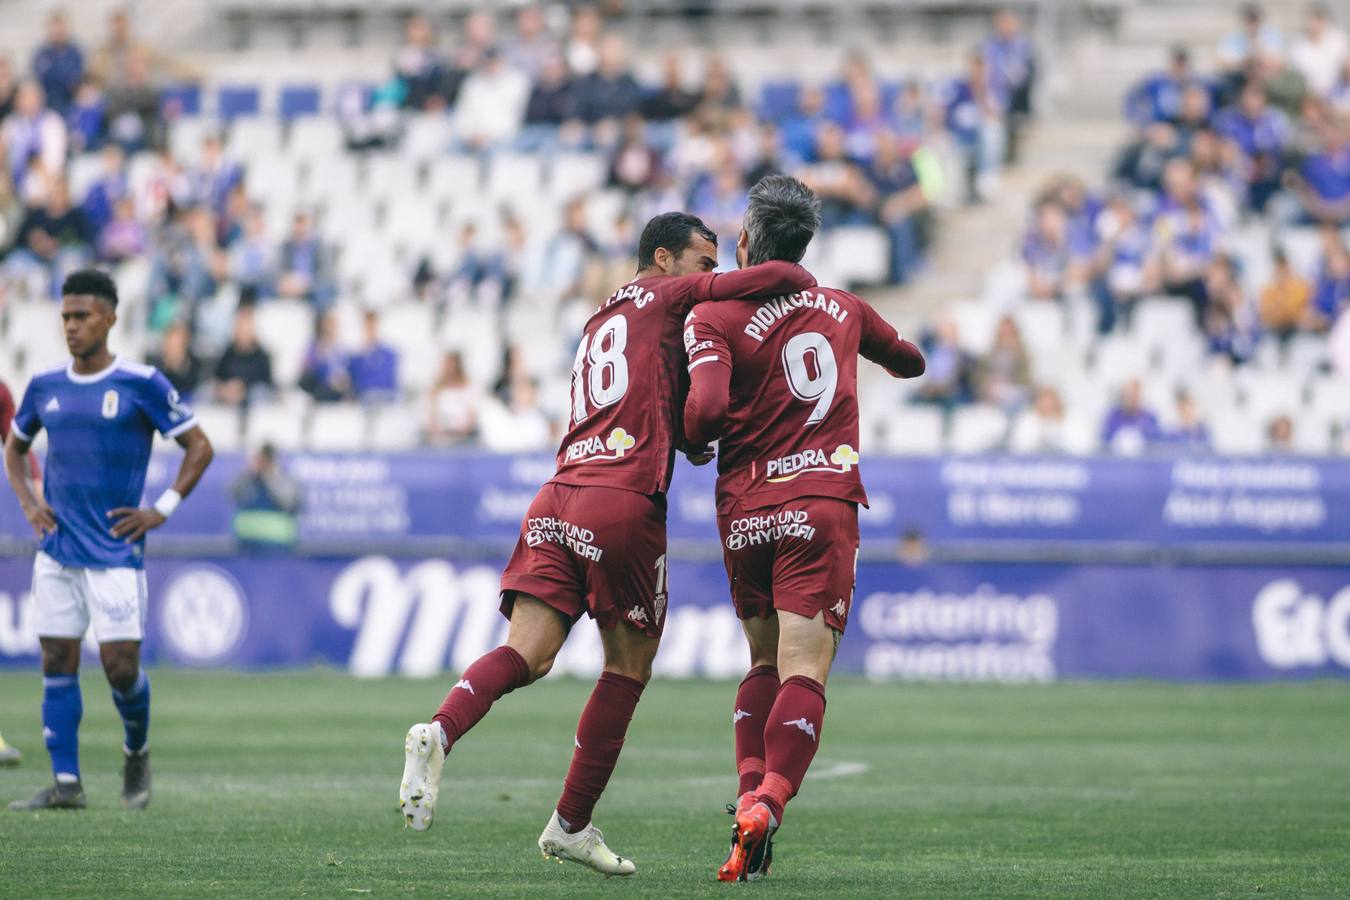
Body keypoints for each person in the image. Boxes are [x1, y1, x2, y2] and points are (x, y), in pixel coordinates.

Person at [396, 212, 812, 876]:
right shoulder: (669, 293)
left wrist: (685, 434)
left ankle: (440, 728)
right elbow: (772, 279)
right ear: (665, 258)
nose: (713, 277)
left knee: (526, 655)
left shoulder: (600, 317)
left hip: (558, 493)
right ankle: (570, 822)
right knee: (628, 666)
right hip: (621, 502)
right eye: (704, 265)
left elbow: (637, 401)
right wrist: (796, 267)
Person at [682, 175, 925, 881]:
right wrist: (870, 344)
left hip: (748, 509)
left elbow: (704, 413)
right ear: (806, 244)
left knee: (762, 663)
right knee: (804, 668)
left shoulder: (716, 317)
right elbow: (911, 361)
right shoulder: (842, 306)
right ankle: (769, 803)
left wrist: (697, 436)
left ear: (745, 241)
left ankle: (745, 799)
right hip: (819, 503)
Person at [3, 269, 214, 811]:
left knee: (120, 668)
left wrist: (160, 510)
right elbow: (14, 446)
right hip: (58, 550)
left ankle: (136, 749)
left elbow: (199, 446)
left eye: (82, 316)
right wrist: (29, 503)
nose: (71, 327)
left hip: (117, 552)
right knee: (56, 658)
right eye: (66, 317)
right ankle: (67, 784)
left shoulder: (141, 383)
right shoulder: (45, 386)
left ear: (110, 318)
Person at [229, 443, 301, 553]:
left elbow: (289, 503)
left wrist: (270, 478)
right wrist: (249, 474)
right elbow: (233, 494)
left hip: (278, 546)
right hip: (247, 545)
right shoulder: (247, 479)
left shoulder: (285, 480)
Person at [349, 310, 399, 403]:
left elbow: (389, 381)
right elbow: (356, 383)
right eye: (367, 326)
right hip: (363, 401)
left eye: (373, 326)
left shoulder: (390, 355)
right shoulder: (355, 358)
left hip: (385, 401)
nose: (370, 330)